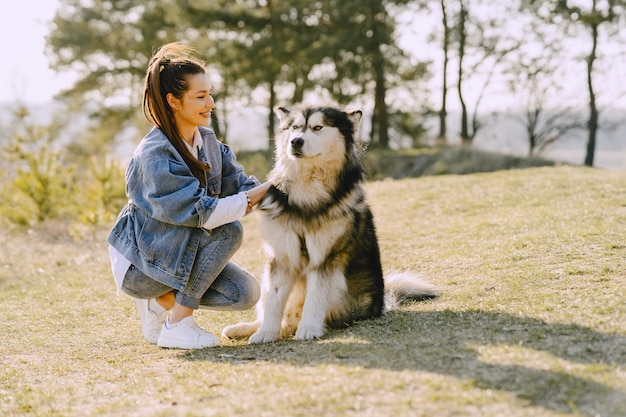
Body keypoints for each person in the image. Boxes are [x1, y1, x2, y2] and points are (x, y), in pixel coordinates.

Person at [107, 42, 270, 349]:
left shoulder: (207, 141)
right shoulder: (156, 155)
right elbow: (202, 214)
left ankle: (162, 301)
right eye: (200, 96)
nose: (210, 102)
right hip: (142, 264)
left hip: (179, 251)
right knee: (228, 230)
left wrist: (284, 188)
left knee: (244, 293)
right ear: (174, 101)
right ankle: (178, 323)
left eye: (210, 93)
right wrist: (263, 191)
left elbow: (241, 185)